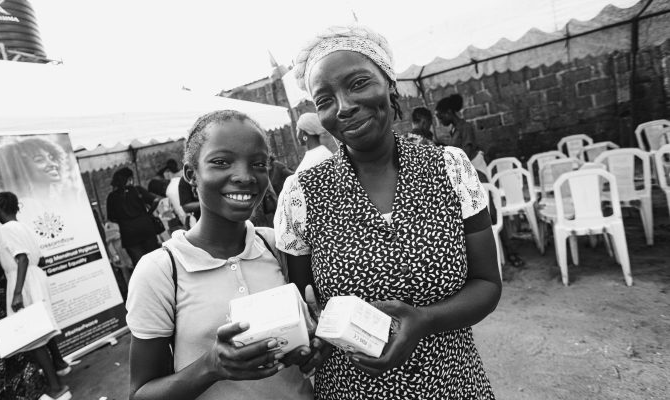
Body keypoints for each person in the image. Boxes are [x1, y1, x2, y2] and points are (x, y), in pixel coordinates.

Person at [275, 25, 501, 398]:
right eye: (325, 100)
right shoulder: (301, 195)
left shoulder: (450, 168)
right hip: (352, 390)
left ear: (390, 85)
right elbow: (304, 310)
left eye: (359, 83)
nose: (344, 106)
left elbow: (488, 285)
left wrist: (425, 321)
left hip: (454, 384)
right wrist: (310, 341)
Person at [126, 110, 315, 400]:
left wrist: (308, 348)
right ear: (191, 174)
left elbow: (299, 348)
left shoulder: (276, 246)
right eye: (221, 162)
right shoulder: (161, 271)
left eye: (258, 163)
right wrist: (211, 365)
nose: (244, 176)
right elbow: (141, 393)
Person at [0, 192, 73, 400]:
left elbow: (22, 258)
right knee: (42, 326)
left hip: (23, 280)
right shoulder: (21, 226)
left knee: (33, 335)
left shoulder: (7, 229)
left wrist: (17, 293)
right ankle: (60, 364)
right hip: (33, 277)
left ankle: (56, 388)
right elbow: (36, 258)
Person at [106, 168, 161, 266]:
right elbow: (155, 200)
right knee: (157, 259)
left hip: (129, 234)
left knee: (141, 265)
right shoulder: (137, 189)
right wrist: (148, 213)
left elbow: (111, 218)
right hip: (146, 228)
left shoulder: (111, 197)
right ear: (129, 178)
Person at [435, 94, 488, 173]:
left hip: (476, 169)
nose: (440, 122)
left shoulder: (466, 127)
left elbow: (466, 153)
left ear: (449, 112)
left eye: (441, 117)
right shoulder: (454, 130)